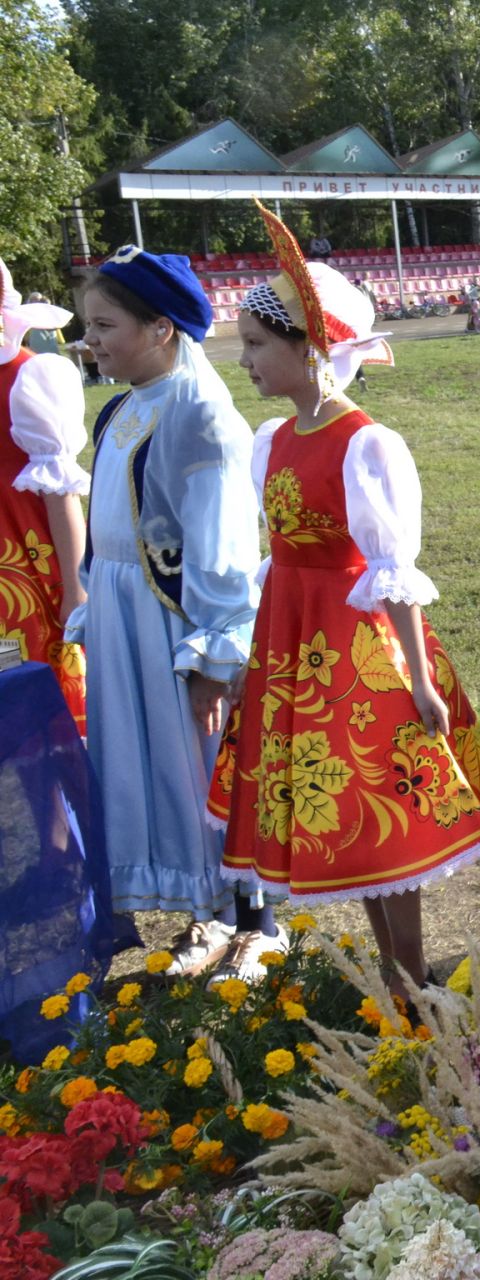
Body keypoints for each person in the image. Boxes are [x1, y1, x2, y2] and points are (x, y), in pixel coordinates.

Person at [211, 205, 480, 997]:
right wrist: (252, 658)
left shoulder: (366, 444)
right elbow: (271, 554)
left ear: (310, 349)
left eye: (254, 345)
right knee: (331, 806)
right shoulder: (271, 440)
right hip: (289, 638)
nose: (242, 359)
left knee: (378, 804)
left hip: (355, 647)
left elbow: (392, 569)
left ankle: (411, 977)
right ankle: (393, 972)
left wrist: (417, 679)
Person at [73, 245, 265, 976]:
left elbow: (220, 548)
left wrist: (216, 654)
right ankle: (205, 911)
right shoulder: (122, 408)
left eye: (104, 324)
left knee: (204, 760)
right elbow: (108, 519)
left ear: (160, 328)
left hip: (175, 620)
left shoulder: (200, 419)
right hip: (125, 612)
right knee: (156, 766)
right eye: (89, 325)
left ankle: (254, 918)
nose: (91, 340)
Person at [1, 260, 89, 729]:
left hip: (21, 566)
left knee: (27, 690)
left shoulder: (29, 377)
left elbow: (61, 492)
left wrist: (74, 588)